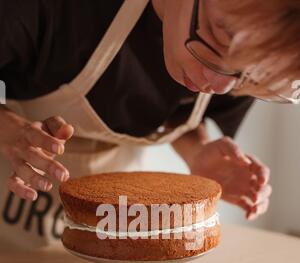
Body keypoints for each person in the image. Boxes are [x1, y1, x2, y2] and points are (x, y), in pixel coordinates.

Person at [1, 0, 295, 248]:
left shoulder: (242, 55)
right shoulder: (54, 9)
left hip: (104, 236)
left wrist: (197, 151)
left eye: (247, 74)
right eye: (221, 36)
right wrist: (9, 132)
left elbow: (167, 110)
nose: (219, 85)